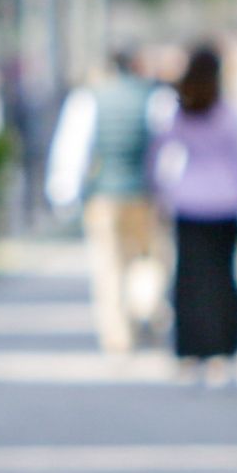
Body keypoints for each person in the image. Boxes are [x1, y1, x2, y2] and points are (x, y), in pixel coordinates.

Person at [46, 48, 172, 354]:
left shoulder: (90, 99)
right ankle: (143, 307)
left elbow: (72, 149)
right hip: (145, 194)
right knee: (148, 260)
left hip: (104, 195)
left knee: (108, 267)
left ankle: (117, 335)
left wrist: (64, 195)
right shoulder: (155, 97)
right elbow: (168, 151)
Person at [151, 45, 237, 381]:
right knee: (222, 278)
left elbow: (158, 153)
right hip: (225, 202)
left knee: (191, 278)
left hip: (189, 201)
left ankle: (191, 347)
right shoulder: (229, 113)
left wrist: (159, 192)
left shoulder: (180, 111)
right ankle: (223, 347)